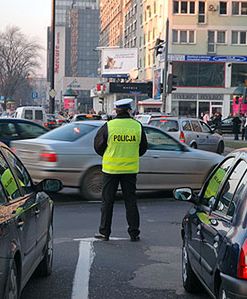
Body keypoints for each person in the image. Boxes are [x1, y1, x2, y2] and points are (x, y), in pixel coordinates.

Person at [94, 98, 148, 241]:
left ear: (116, 111)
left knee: (107, 201)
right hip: (130, 170)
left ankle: (104, 232)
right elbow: (143, 148)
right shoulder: (137, 126)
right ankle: (134, 233)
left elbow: (98, 146)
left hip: (110, 170)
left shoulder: (109, 126)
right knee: (130, 201)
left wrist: (109, 154)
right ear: (129, 110)